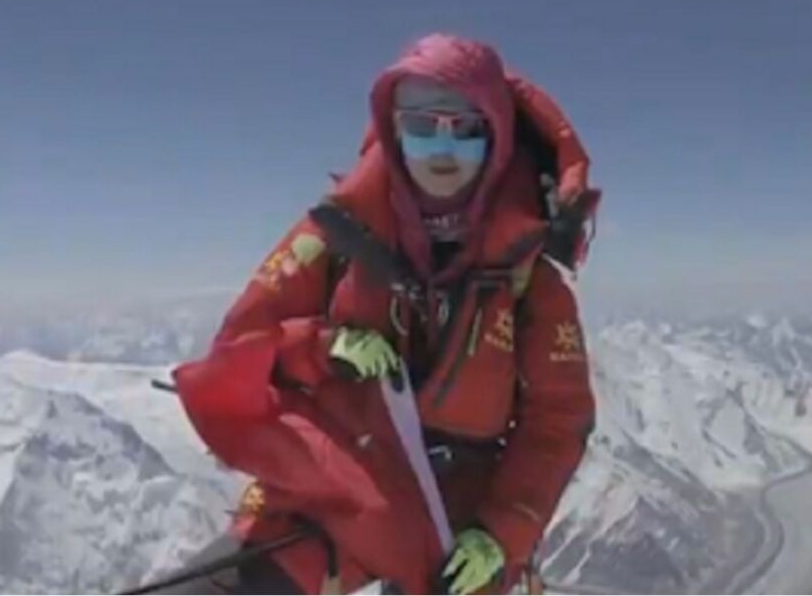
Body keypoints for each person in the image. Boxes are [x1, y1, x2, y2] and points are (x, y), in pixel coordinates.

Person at [172, 33, 600, 594]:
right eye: (422, 127)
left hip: (460, 513)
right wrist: (322, 348)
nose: (442, 151)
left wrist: (502, 533)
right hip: (340, 484)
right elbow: (246, 345)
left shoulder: (528, 277)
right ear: (393, 130)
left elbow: (557, 418)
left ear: (496, 138)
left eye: (466, 129)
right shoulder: (337, 237)